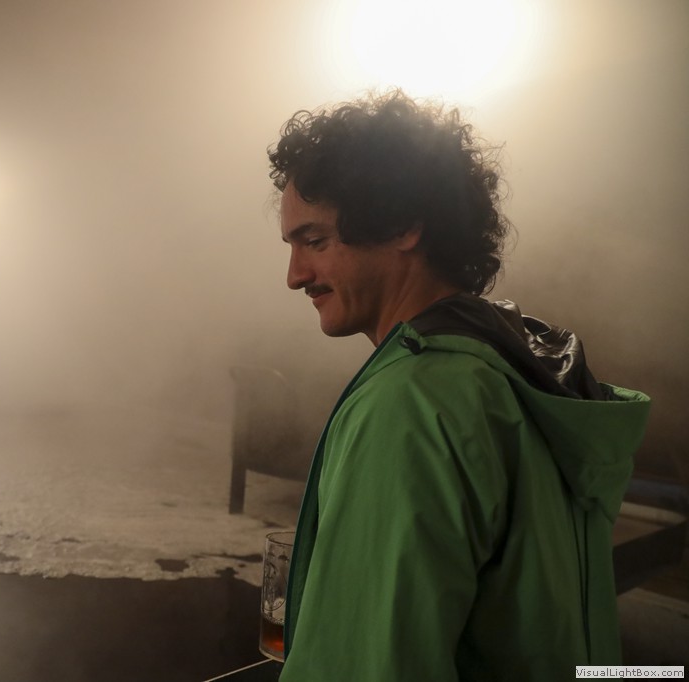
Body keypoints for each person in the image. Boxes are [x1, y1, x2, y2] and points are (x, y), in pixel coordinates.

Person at [267, 90, 651, 681]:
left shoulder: (411, 406)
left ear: (403, 225)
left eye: (315, 242)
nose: (295, 276)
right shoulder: (520, 376)